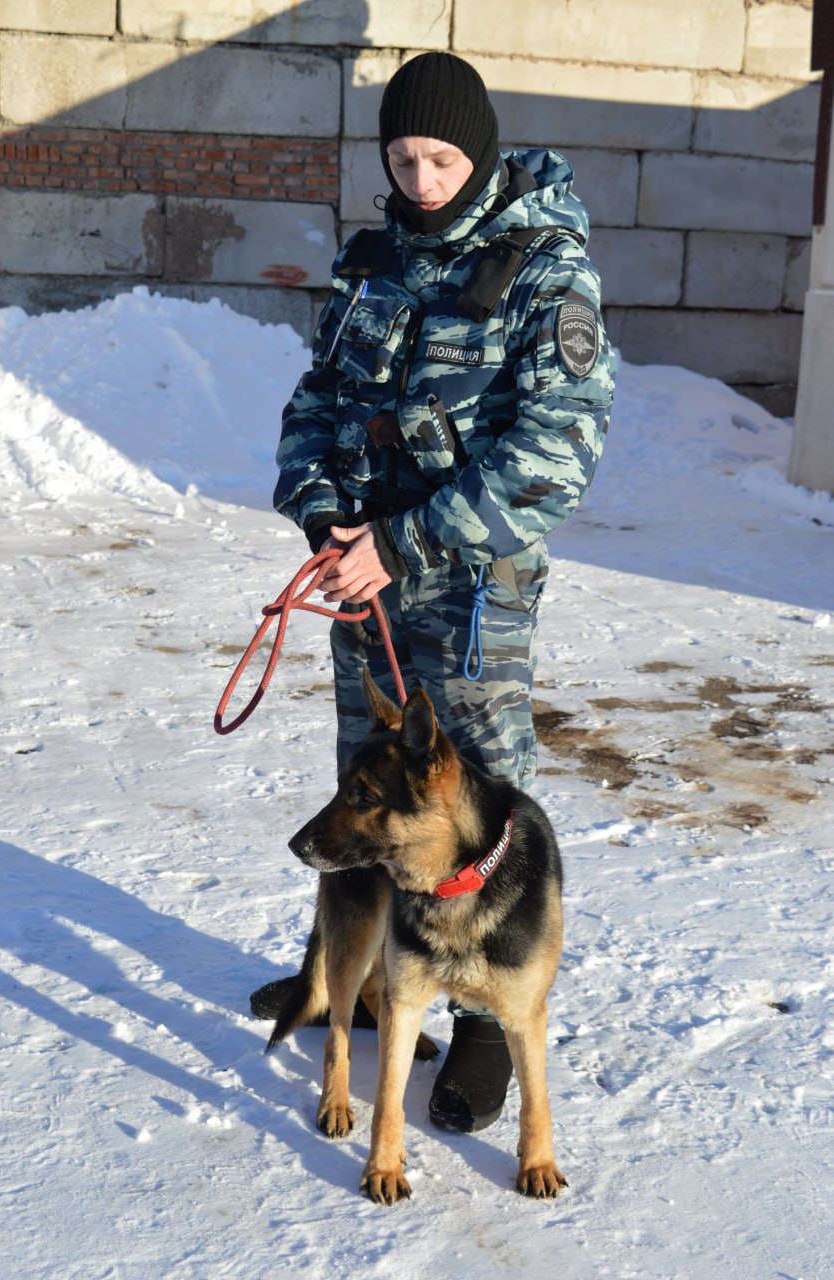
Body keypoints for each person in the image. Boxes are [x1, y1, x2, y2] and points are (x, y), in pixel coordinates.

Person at [251, 51, 615, 1133]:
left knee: (471, 812)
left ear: (482, 151)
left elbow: (553, 456)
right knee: (366, 800)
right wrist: (323, 511)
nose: (420, 179)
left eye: (441, 157)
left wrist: (399, 545)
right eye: (401, 157)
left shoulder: (546, 271)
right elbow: (312, 406)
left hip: (468, 603)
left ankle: (482, 1027)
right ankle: (344, 975)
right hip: (362, 588)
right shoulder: (373, 264)